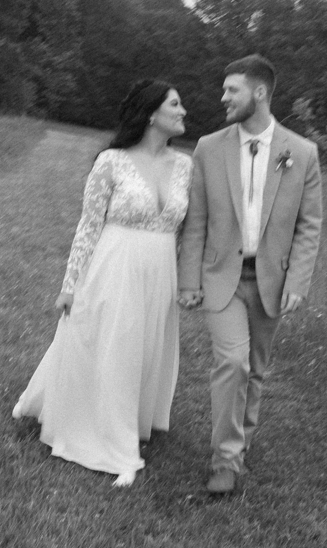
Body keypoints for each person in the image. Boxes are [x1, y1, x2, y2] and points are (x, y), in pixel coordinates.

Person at [13, 79, 192, 487]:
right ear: (151, 113)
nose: (183, 112)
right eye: (175, 105)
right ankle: (117, 448)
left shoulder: (185, 165)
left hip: (160, 269)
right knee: (115, 347)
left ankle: (116, 416)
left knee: (144, 351)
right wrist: (70, 284)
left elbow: (184, 232)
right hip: (115, 264)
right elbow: (88, 227)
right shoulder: (111, 162)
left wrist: (183, 280)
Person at [178, 54, 323, 495]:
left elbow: (309, 224)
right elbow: (196, 219)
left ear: (259, 93)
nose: (223, 97)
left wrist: (297, 281)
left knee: (255, 371)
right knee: (233, 362)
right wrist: (188, 280)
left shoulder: (301, 153)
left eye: (232, 90)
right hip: (222, 276)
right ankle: (224, 460)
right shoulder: (209, 147)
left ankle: (240, 447)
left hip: (270, 281)